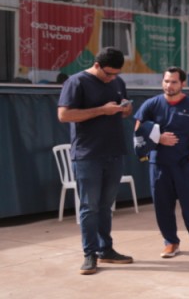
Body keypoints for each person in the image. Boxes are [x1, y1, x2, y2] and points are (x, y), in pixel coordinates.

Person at [57, 47, 135, 275]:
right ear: (97, 65)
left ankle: (106, 250)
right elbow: (64, 115)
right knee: (89, 207)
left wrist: (125, 109)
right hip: (88, 154)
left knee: (105, 206)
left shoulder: (117, 82)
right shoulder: (76, 82)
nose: (112, 78)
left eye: (116, 74)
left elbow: (123, 112)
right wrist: (102, 110)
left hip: (114, 151)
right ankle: (89, 254)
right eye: (108, 73)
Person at [134, 67, 189, 258]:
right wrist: (158, 138)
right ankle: (171, 243)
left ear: (183, 83)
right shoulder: (151, 104)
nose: (169, 85)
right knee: (163, 206)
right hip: (158, 165)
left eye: (173, 82)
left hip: (184, 165)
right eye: (166, 81)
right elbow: (138, 129)